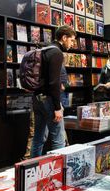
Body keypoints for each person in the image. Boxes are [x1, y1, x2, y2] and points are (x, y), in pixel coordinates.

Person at [31, 25, 76, 158]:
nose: (72, 44)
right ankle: (59, 174)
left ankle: (32, 170)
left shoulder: (44, 50)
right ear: (64, 37)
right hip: (50, 101)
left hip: (37, 99)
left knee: (38, 138)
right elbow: (54, 83)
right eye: (72, 40)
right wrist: (57, 107)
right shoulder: (56, 53)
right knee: (58, 140)